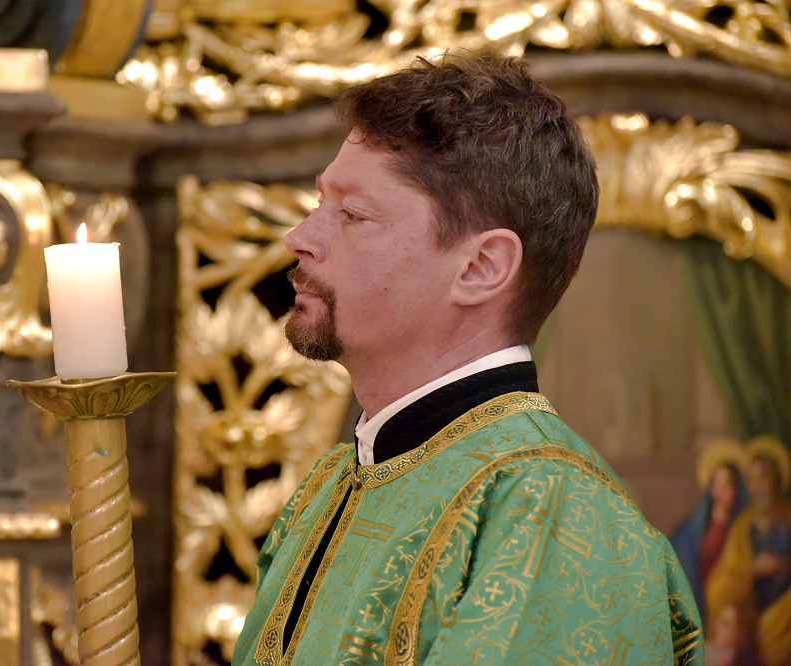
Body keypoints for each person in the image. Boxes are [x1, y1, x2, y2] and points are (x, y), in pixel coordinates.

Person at [231, 52, 702, 664]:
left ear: (480, 268)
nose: (299, 238)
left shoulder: (554, 514)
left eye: (352, 214)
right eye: (321, 203)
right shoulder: (329, 487)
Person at [706, 435, 791, 666]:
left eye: (763, 477)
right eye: (751, 479)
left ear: (778, 480)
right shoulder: (742, 528)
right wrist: (751, 569)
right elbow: (723, 581)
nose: (757, 486)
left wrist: (783, 566)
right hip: (752, 619)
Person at [671, 439, 750, 619]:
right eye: (716, 484)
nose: (721, 491)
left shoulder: (743, 527)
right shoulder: (693, 528)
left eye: (727, 485)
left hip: (730, 608)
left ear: (736, 489)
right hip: (699, 603)